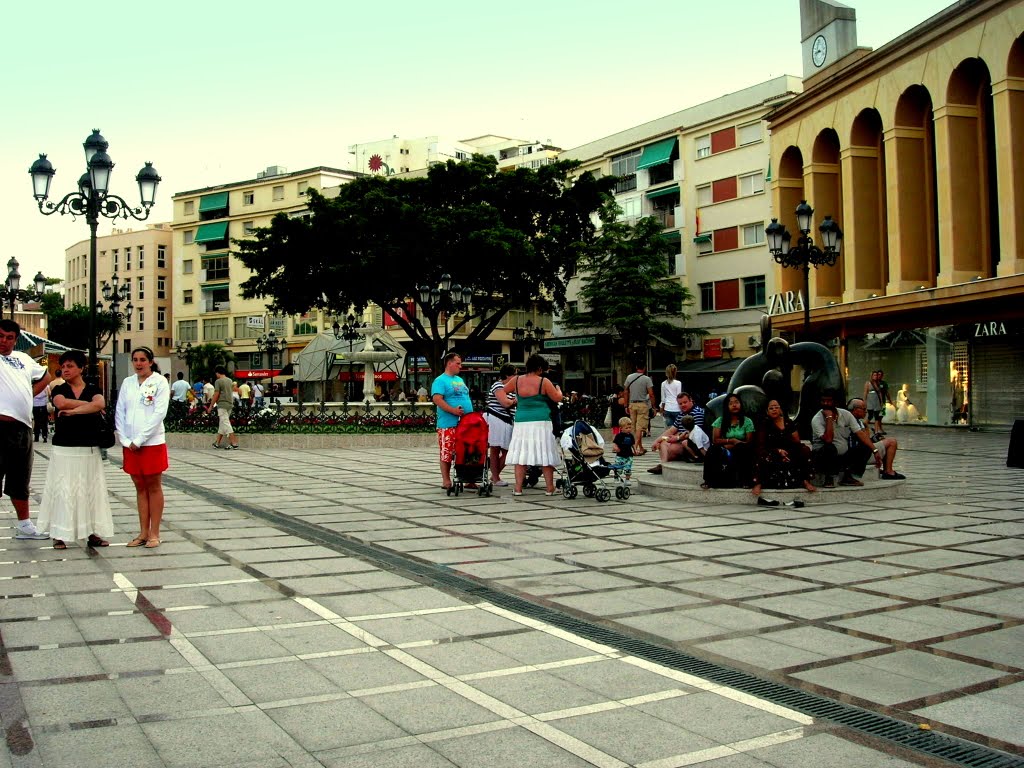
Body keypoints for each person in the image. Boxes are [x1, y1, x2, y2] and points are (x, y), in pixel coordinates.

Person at [37, 350, 113, 550]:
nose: (65, 370)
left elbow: (101, 403)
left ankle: (92, 533)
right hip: (64, 447)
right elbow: (61, 403)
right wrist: (88, 406)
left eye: (70, 366)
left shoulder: (93, 388)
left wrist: (73, 411)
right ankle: (59, 534)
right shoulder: (59, 388)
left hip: (88, 447)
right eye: (63, 367)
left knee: (90, 490)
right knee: (63, 490)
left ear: (81, 368)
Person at [0, 320, 52, 539]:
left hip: (22, 427)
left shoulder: (23, 358)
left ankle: (24, 525)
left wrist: (28, 393)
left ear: (16, 339)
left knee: (20, 477)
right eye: (0, 335)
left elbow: (46, 376)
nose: (3, 341)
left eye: (9, 337)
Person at [114, 347, 170, 548]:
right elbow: (120, 410)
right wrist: (124, 438)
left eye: (143, 360)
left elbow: (159, 413)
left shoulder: (160, 382)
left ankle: (155, 533)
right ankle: (143, 532)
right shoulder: (128, 383)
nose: (139, 363)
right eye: (135, 360)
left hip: (151, 442)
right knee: (139, 486)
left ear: (151, 361)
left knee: (153, 486)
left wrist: (140, 439)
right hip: (130, 444)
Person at [498, 354, 563, 496]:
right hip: (541, 421)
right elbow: (557, 398)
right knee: (545, 454)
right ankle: (549, 488)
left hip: (521, 421)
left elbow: (503, 390)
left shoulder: (516, 380)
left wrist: (511, 401)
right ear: (539, 368)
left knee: (522, 454)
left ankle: (518, 489)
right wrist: (558, 389)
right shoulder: (544, 382)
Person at [812, 395, 905, 486]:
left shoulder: (845, 414)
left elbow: (860, 433)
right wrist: (829, 418)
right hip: (825, 458)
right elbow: (828, 439)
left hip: (842, 456)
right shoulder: (817, 419)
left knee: (865, 446)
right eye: (823, 401)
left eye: (829, 401)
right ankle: (829, 478)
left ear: (835, 402)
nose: (826, 403)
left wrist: (875, 450)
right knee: (829, 448)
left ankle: (848, 477)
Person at [752, 399, 816, 500]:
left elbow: (796, 441)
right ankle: (758, 483)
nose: (774, 410)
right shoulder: (764, 424)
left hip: (788, 449)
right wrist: (777, 451)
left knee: (804, 449)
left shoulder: (788, 423)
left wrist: (786, 452)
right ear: (767, 411)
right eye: (771, 408)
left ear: (781, 410)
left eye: (776, 407)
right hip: (771, 450)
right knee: (761, 454)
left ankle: (805, 481)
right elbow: (761, 444)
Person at [431, 353, 473, 490]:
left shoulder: (459, 380)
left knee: (467, 451)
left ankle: (468, 478)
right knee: (447, 452)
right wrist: (453, 411)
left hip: (465, 423)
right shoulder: (440, 380)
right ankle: (446, 480)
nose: (460, 366)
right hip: (449, 423)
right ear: (449, 363)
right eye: (458, 363)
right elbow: (437, 399)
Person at [702, 393, 755, 489]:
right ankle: (708, 480)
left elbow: (749, 442)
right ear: (727, 407)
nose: (734, 405)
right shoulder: (720, 421)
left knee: (744, 448)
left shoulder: (747, 421)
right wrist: (731, 440)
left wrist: (735, 444)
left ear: (740, 404)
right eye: (731, 403)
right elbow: (715, 440)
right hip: (725, 448)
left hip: (741, 448)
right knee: (713, 449)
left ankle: (745, 481)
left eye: (736, 402)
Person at [647, 392, 706, 474]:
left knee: (671, 449)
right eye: (680, 403)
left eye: (685, 402)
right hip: (681, 439)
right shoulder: (681, 414)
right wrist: (656, 441)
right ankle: (663, 465)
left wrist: (678, 438)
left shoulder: (697, 413)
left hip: (691, 443)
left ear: (691, 401)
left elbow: (695, 433)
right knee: (662, 443)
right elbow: (671, 430)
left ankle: (665, 465)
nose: (682, 405)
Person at [484, 364, 517, 487]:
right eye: (514, 374)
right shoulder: (498, 385)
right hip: (496, 419)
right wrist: (515, 401)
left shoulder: (513, 388)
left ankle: (495, 474)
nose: (516, 377)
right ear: (508, 375)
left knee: (508, 451)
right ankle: (496, 477)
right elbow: (505, 403)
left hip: (508, 421)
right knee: (495, 449)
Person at [622, 363, 655, 452]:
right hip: (642, 405)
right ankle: (635, 448)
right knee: (640, 427)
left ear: (636, 367)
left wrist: (625, 405)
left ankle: (640, 447)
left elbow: (625, 391)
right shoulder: (647, 379)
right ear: (644, 368)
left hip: (632, 404)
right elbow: (651, 394)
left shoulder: (629, 377)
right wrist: (654, 407)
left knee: (633, 427)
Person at [207, 366, 239, 450]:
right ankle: (217, 443)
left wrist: (211, 406)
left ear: (217, 373)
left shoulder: (218, 381)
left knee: (225, 423)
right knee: (223, 423)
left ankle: (234, 443)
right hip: (229, 404)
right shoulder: (230, 380)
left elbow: (216, 394)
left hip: (222, 404)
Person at [863, 370, 889, 438]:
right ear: (871, 376)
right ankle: (864, 425)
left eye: (876, 375)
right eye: (874, 375)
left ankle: (876, 431)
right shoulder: (868, 383)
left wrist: (881, 402)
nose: (876, 376)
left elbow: (880, 393)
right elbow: (865, 393)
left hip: (877, 401)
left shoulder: (878, 383)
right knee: (870, 415)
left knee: (877, 416)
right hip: (870, 401)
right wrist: (864, 402)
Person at [32, 376, 50, 443]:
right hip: (43, 405)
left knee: (36, 421)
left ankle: (36, 437)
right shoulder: (45, 386)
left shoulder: (33, 386)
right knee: (44, 421)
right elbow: (49, 393)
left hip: (35, 405)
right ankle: (44, 436)